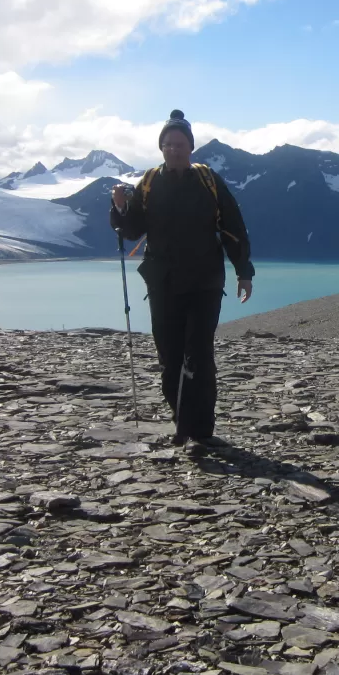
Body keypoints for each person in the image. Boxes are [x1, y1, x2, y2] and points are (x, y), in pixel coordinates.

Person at [110, 110, 254, 453]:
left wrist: (243, 270)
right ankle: (181, 423)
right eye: (169, 143)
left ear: (191, 147)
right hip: (163, 283)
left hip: (205, 281)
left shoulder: (207, 180)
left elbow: (233, 226)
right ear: (161, 147)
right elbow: (131, 231)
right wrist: (119, 208)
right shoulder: (149, 183)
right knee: (170, 356)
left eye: (181, 143)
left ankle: (200, 429)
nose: (175, 149)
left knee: (199, 355)